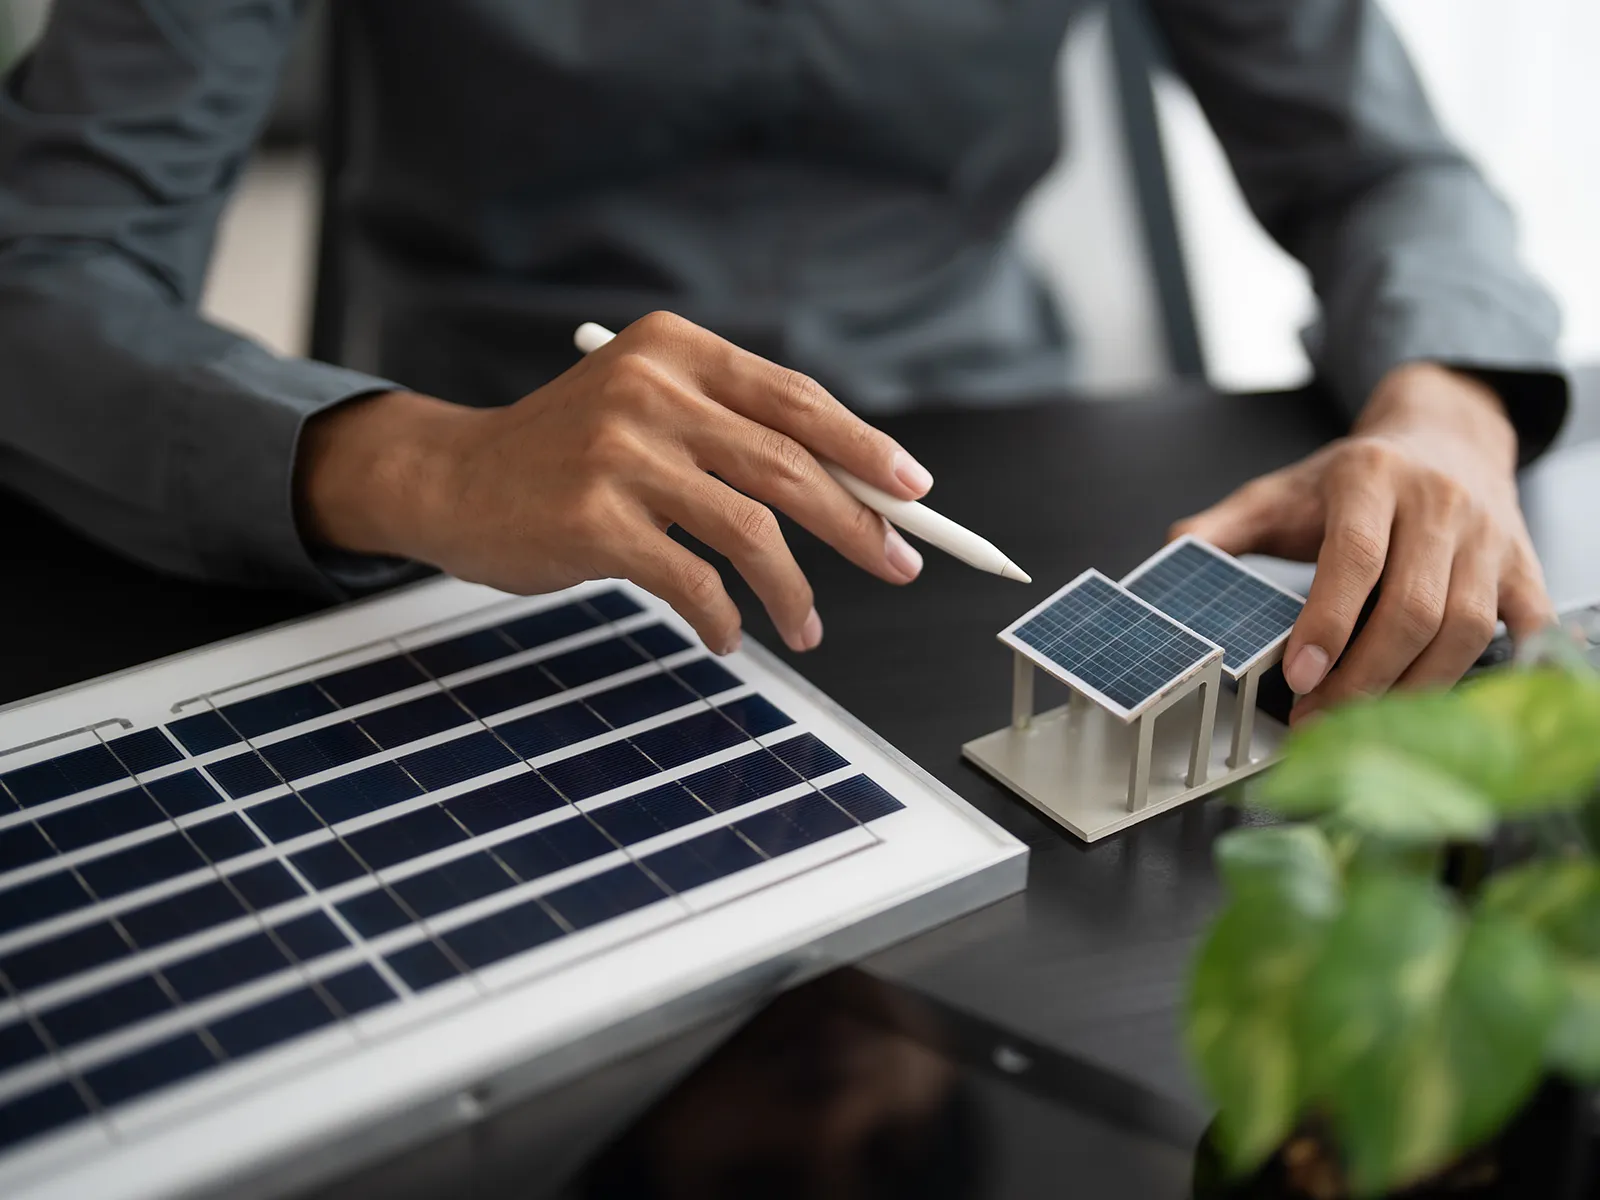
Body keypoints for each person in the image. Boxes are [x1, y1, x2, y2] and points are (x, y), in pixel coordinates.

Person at [0, 1, 1568, 725]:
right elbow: (43, 271)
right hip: (492, 540)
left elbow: (1387, 171)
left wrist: (1446, 409)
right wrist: (432, 464)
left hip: (961, 501)